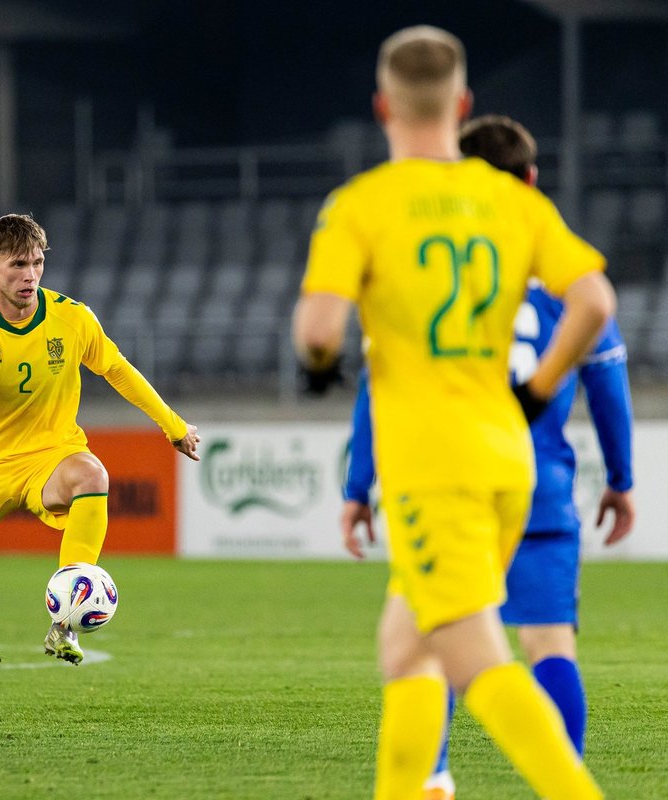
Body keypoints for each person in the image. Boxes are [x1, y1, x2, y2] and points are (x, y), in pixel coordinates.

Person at [293, 27, 613, 800]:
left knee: (477, 663)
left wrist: (320, 367)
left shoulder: (361, 205)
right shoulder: (513, 202)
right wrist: (537, 391)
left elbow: (318, 332)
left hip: (435, 471)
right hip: (508, 457)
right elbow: (595, 302)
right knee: (406, 650)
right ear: (462, 103)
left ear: (383, 107)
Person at [0, 212, 198, 672]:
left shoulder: (72, 318)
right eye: (17, 265)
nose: (30, 275)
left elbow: (118, 369)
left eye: (37, 263)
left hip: (49, 456)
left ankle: (66, 618)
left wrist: (174, 426)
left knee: (91, 474)